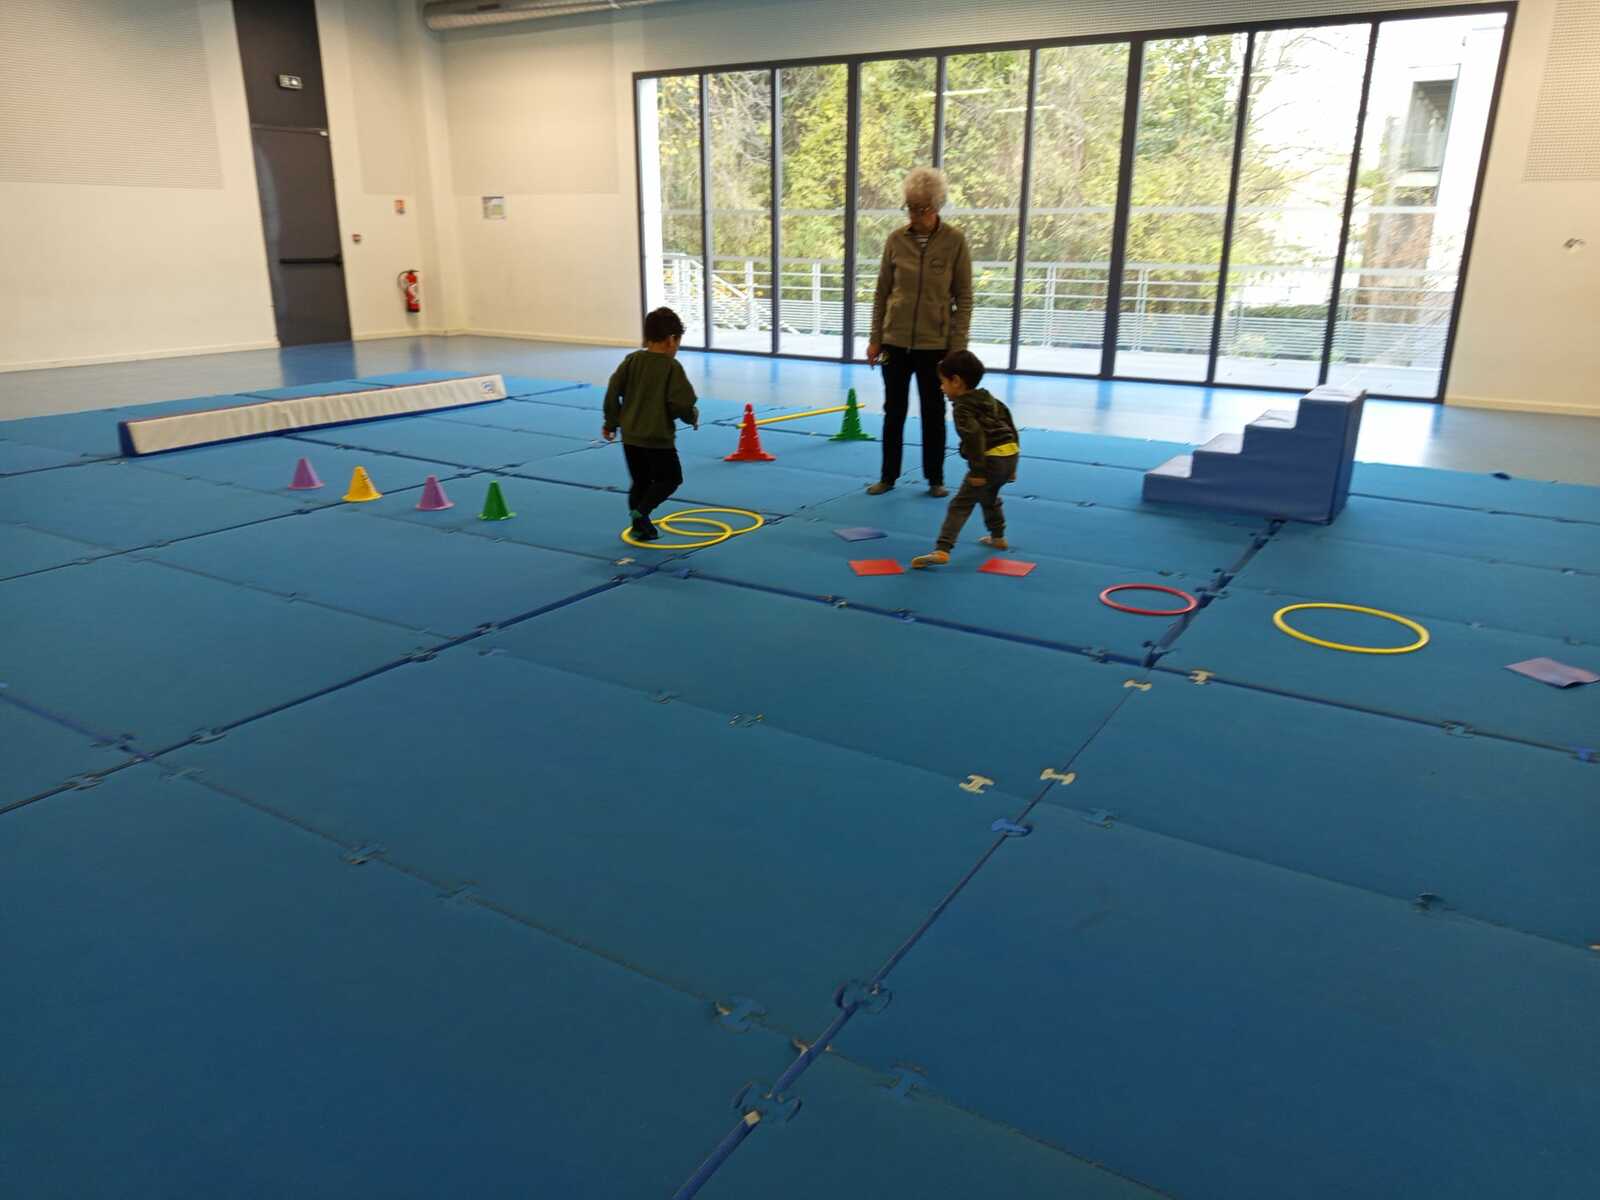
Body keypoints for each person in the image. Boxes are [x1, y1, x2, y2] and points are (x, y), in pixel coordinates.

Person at [866, 166, 973, 499]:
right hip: (894, 342)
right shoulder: (896, 240)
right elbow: (882, 292)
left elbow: (965, 297)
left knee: (933, 411)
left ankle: (935, 478)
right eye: (910, 208)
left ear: (937, 206)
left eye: (922, 209)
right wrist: (875, 338)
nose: (915, 215)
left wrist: (957, 347)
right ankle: (888, 476)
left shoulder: (954, 241)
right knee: (893, 411)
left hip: (935, 345)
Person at [911, 351, 1019, 569]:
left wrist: (977, 471)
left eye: (943, 382)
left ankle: (942, 549)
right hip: (1009, 455)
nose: (941, 388)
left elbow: (974, 437)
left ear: (956, 381)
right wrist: (1013, 466)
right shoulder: (990, 399)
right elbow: (1010, 426)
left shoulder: (962, 407)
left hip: (989, 461)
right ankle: (998, 537)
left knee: (961, 504)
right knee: (989, 497)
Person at [602, 307, 699, 541]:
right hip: (657, 438)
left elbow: (613, 390)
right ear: (671, 340)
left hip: (631, 436)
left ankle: (639, 526)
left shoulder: (632, 360)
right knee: (671, 479)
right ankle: (641, 512)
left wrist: (611, 423)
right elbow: (681, 403)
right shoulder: (671, 367)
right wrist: (692, 416)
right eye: (678, 342)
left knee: (641, 481)